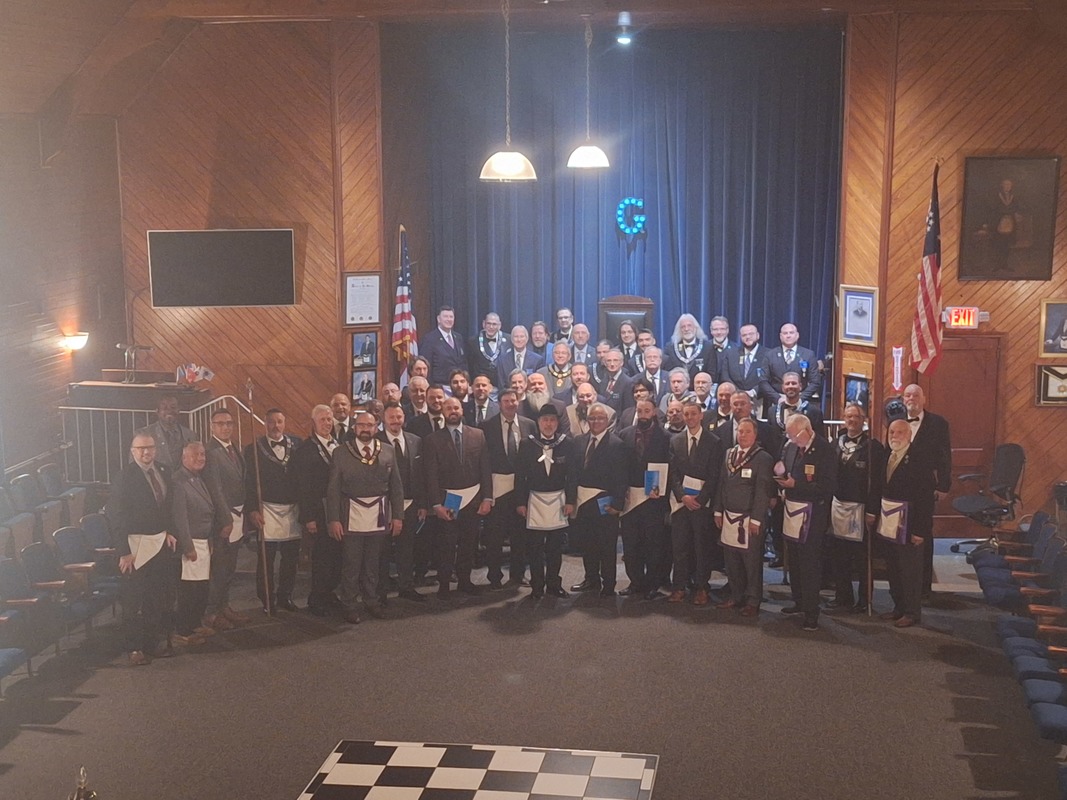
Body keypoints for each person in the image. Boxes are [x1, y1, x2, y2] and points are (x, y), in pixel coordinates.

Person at [326, 411, 404, 624]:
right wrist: (333, 519)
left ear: (376, 428)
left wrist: (398, 516)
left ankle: (371, 600)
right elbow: (333, 489)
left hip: (379, 513)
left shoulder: (387, 450)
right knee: (351, 563)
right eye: (361, 425)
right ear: (354, 428)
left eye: (369, 425)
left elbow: (396, 487)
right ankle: (349, 604)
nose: (365, 429)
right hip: (351, 514)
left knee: (373, 562)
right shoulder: (341, 452)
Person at [107, 431, 178, 665]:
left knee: (155, 598)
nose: (146, 452)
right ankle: (134, 648)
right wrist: (123, 551)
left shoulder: (164, 471)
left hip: (159, 543)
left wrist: (168, 531)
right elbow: (116, 515)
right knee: (133, 600)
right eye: (141, 448)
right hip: (134, 547)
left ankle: (151, 644)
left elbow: (166, 508)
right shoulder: (124, 477)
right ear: (133, 451)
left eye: (150, 447)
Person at [422, 396, 493, 595]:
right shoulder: (433, 440)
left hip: (473, 497)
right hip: (450, 499)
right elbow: (431, 475)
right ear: (443, 412)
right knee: (447, 543)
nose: (453, 411)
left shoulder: (478, 435)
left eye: (456, 407)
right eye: (448, 408)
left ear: (462, 410)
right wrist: (436, 504)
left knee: (468, 543)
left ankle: (465, 581)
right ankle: (444, 584)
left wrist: (487, 498)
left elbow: (485, 468)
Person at [775, 414, 837, 631]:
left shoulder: (825, 450)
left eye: (794, 436)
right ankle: (799, 601)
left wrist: (796, 484)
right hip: (792, 510)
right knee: (794, 560)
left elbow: (827, 486)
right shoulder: (792, 447)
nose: (791, 440)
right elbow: (788, 471)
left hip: (813, 514)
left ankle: (812, 612)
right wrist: (782, 478)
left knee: (809, 563)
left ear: (807, 431)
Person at [714, 417, 774, 616]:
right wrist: (718, 510)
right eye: (740, 431)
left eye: (748, 431)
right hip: (729, 516)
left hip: (749, 519)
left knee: (751, 564)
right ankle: (736, 595)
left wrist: (757, 519)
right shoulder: (728, 454)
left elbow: (762, 491)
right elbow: (721, 484)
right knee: (731, 561)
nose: (743, 435)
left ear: (755, 434)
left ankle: (753, 600)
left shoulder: (763, 458)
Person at [245, 408, 303, 614]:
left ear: (284, 423)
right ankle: (267, 599)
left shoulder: (298, 444)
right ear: (265, 423)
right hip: (266, 509)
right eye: (271, 422)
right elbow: (249, 482)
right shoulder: (253, 449)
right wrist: (253, 509)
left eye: (279, 421)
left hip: (293, 509)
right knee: (266, 559)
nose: (275, 426)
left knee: (290, 559)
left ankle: (285, 596)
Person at [171, 441, 229, 644]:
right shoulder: (178, 481)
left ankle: (195, 623)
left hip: (203, 541)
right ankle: (184, 631)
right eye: (195, 455)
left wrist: (209, 540)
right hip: (191, 543)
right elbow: (180, 518)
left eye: (203, 454)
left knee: (201, 588)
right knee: (188, 590)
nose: (200, 458)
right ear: (184, 458)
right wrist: (188, 547)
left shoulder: (198, 478)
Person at [667, 399, 725, 605]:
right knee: (679, 547)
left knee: (702, 547)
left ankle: (702, 587)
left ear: (701, 415)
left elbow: (715, 475)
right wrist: (683, 496)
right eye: (686, 414)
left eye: (693, 414)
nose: (690, 417)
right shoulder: (675, 441)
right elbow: (672, 473)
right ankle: (679, 586)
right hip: (681, 503)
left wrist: (700, 499)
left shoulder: (714, 441)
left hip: (702, 503)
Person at [568, 403, 628, 597]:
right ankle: (591, 579)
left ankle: (608, 584)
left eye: (600, 418)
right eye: (592, 418)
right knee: (588, 544)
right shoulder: (579, 441)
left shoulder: (616, 444)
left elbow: (621, 477)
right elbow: (572, 473)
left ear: (607, 420)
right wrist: (571, 500)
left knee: (607, 546)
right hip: (583, 502)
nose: (596, 422)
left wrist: (617, 504)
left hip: (605, 503)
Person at [873, 419, 927, 627]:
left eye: (900, 432)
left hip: (910, 523)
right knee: (893, 567)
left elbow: (924, 498)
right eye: (891, 432)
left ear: (909, 435)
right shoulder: (887, 455)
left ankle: (912, 612)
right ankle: (898, 607)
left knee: (909, 570)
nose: (894, 436)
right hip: (889, 521)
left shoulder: (919, 459)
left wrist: (920, 530)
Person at [830, 402, 884, 613]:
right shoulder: (836, 443)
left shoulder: (873, 448)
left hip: (862, 509)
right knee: (839, 557)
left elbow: (877, 483)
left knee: (862, 559)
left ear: (863, 420)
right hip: (838, 507)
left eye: (856, 417)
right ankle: (842, 597)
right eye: (848, 416)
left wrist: (872, 510)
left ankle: (864, 600)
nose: (852, 420)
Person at [515, 405, 573, 599]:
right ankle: (537, 586)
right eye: (545, 420)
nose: (549, 424)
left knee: (555, 548)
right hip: (535, 501)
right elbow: (520, 476)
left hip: (558, 500)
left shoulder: (567, 443)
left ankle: (554, 585)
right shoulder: (527, 444)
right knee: (535, 549)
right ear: (538, 422)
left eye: (552, 420)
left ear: (557, 423)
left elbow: (573, 476)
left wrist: (571, 501)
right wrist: (520, 502)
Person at [481, 389, 536, 589]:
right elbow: (483, 461)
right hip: (497, 488)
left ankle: (518, 575)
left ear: (518, 401)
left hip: (522, 489)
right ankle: (494, 576)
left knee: (519, 536)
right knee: (494, 536)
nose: (510, 404)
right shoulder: (487, 426)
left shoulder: (529, 425)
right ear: (499, 403)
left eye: (513, 400)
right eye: (506, 401)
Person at [617, 397, 672, 598]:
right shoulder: (625, 434)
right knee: (631, 544)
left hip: (654, 499)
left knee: (653, 545)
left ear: (654, 412)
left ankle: (652, 585)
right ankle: (635, 582)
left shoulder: (665, 437)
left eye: (647, 411)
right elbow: (620, 466)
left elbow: (670, 467)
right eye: (640, 411)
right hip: (630, 497)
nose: (643, 415)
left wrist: (662, 494)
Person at [901, 383, 952, 595]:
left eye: (915, 395)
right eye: (907, 395)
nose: (911, 399)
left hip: (925, 486)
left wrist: (943, 485)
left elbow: (945, 456)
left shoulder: (938, 423)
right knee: (902, 533)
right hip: (900, 487)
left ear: (923, 399)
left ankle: (923, 588)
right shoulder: (896, 420)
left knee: (923, 533)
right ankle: (904, 584)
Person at [202, 408, 250, 632]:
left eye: (229, 423)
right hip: (224, 519)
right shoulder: (210, 452)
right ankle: (212, 613)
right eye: (220, 423)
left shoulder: (234, 448)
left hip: (238, 515)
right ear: (212, 426)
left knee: (230, 568)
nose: (226, 427)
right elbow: (216, 489)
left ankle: (224, 606)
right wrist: (225, 519)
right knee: (219, 570)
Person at [293, 404, 341, 617]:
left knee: (336, 554)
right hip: (318, 511)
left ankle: (329, 592)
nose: (327, 423)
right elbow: (303, 486)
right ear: (313, 423)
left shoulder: (338, 445)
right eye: (322, 419)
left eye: (329, 419)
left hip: (337, 510)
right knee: (322, 557)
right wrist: (309, 518)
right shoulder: (306, 450)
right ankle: (317, 598)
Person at [377, 402, 426, 602]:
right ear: (383, 419)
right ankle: (380, 592)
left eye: (399, 417)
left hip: (411, 503)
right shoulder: (376, 441)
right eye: (391, 417)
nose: (396, 421)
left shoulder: (415, 440)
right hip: (384, 504)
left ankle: (407, 586)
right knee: (382, 550)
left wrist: (422, 504)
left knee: (407, 548)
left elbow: (421, 474)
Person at [761, 323, 822, 413]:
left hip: (801, 402)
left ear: (797, 335)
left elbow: (815, 381)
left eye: (791, 333)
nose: (788, 336)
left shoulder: (808, 354)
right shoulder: (770, 355)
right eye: (785, 333)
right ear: (780, 336)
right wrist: (777, 398)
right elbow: (763, 381)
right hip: (778, 402)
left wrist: (800, 398)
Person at [144, 394, 198, 469]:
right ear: (157, 411)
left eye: (173, 407)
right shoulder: (144, 434)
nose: (169, 411)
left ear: (178, 410)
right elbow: (135, 466)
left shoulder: (190, 435)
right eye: (164, 408)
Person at [721, 323, 768, 403]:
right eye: (744, 335)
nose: (748, 337)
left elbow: (769, 378)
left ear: (758, 335)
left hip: (760, 400)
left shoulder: (768, 354)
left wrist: (753, 392)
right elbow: (725, 376)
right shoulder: (731, 354)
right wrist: (738, 392)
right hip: (735, 399)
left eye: (751, 334)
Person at [421, 306, 468, 385]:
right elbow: (427, 365)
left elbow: (463, 363)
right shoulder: (429, 339)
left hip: (458, 385)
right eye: (445, 316)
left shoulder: (458, 337)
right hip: (440, 385)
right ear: (438, 319)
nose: (449, 319)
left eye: (451, 317)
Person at [770, 371, 825, 438]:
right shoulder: (772, 412)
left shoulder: (814, 412)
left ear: (800, 386)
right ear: (782, 388)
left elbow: (820, 440)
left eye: (794, 383)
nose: (790, 386)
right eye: (787, 384)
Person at [663, 313, 713, 384]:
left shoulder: (707, 346)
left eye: (689, 325)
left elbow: (711, 372)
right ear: (679, 330)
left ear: (695, 328)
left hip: (700, 388)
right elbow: (667, 372)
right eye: (683, 327)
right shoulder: (671, 348)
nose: (686, 329)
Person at [467, 311, 505, 385]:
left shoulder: (508, 340)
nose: (491, 327)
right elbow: (470, 366)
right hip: (481, 385)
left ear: (499, 325)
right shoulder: (473, 341)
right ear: (483, 324)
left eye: (494, 324)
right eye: (488, 323)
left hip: (502, 384)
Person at [598, 349, 634, 414]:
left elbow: (628, 409)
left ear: (622, 363)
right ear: (605, 363)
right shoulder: (603, 382)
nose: (612, 364)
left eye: (615, 360)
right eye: (609, 361)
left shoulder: (628, 383)